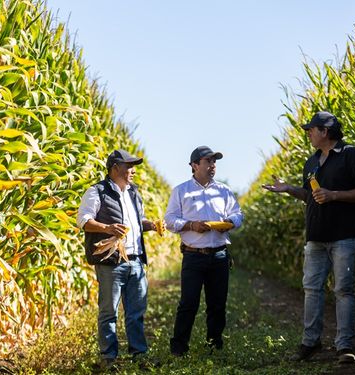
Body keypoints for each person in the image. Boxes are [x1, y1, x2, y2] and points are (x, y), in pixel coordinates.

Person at [262, 111, 355, 365]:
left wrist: (334, 195)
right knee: (312, 290)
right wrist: (289, 189)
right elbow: (310, 196)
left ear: (326, 131)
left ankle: (344, 346)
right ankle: (310, 342)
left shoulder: (351, 155)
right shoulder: (311, 163)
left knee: (343, 290)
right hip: (315, 237)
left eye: (311, 129)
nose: (308, 133)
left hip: (344, 235)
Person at [77, 149, 156, 370]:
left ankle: (139, 356)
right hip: (110, 262)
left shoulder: (134, 193)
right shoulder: (97, 192)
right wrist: (107, 228)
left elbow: (138, 221)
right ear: (115, 168)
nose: (133, 170)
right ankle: (109, 358)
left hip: (136, 261)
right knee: (108, 312)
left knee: (136, 313)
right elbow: (83, 220)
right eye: (129, 166)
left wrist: (150, 225)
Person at [165, 146, 243, 356]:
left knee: (217, 305)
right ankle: (179, 349)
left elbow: (238, 214)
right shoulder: (181, 191)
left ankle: (214, 345)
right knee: (188, 304)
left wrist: (230, 222)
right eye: (208, 161)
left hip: (219, 255)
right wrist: (191, 225)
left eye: (214, 162)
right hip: (193, 256)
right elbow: (170, 221)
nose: (212, 166)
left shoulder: (224, 190)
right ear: (194, 165)